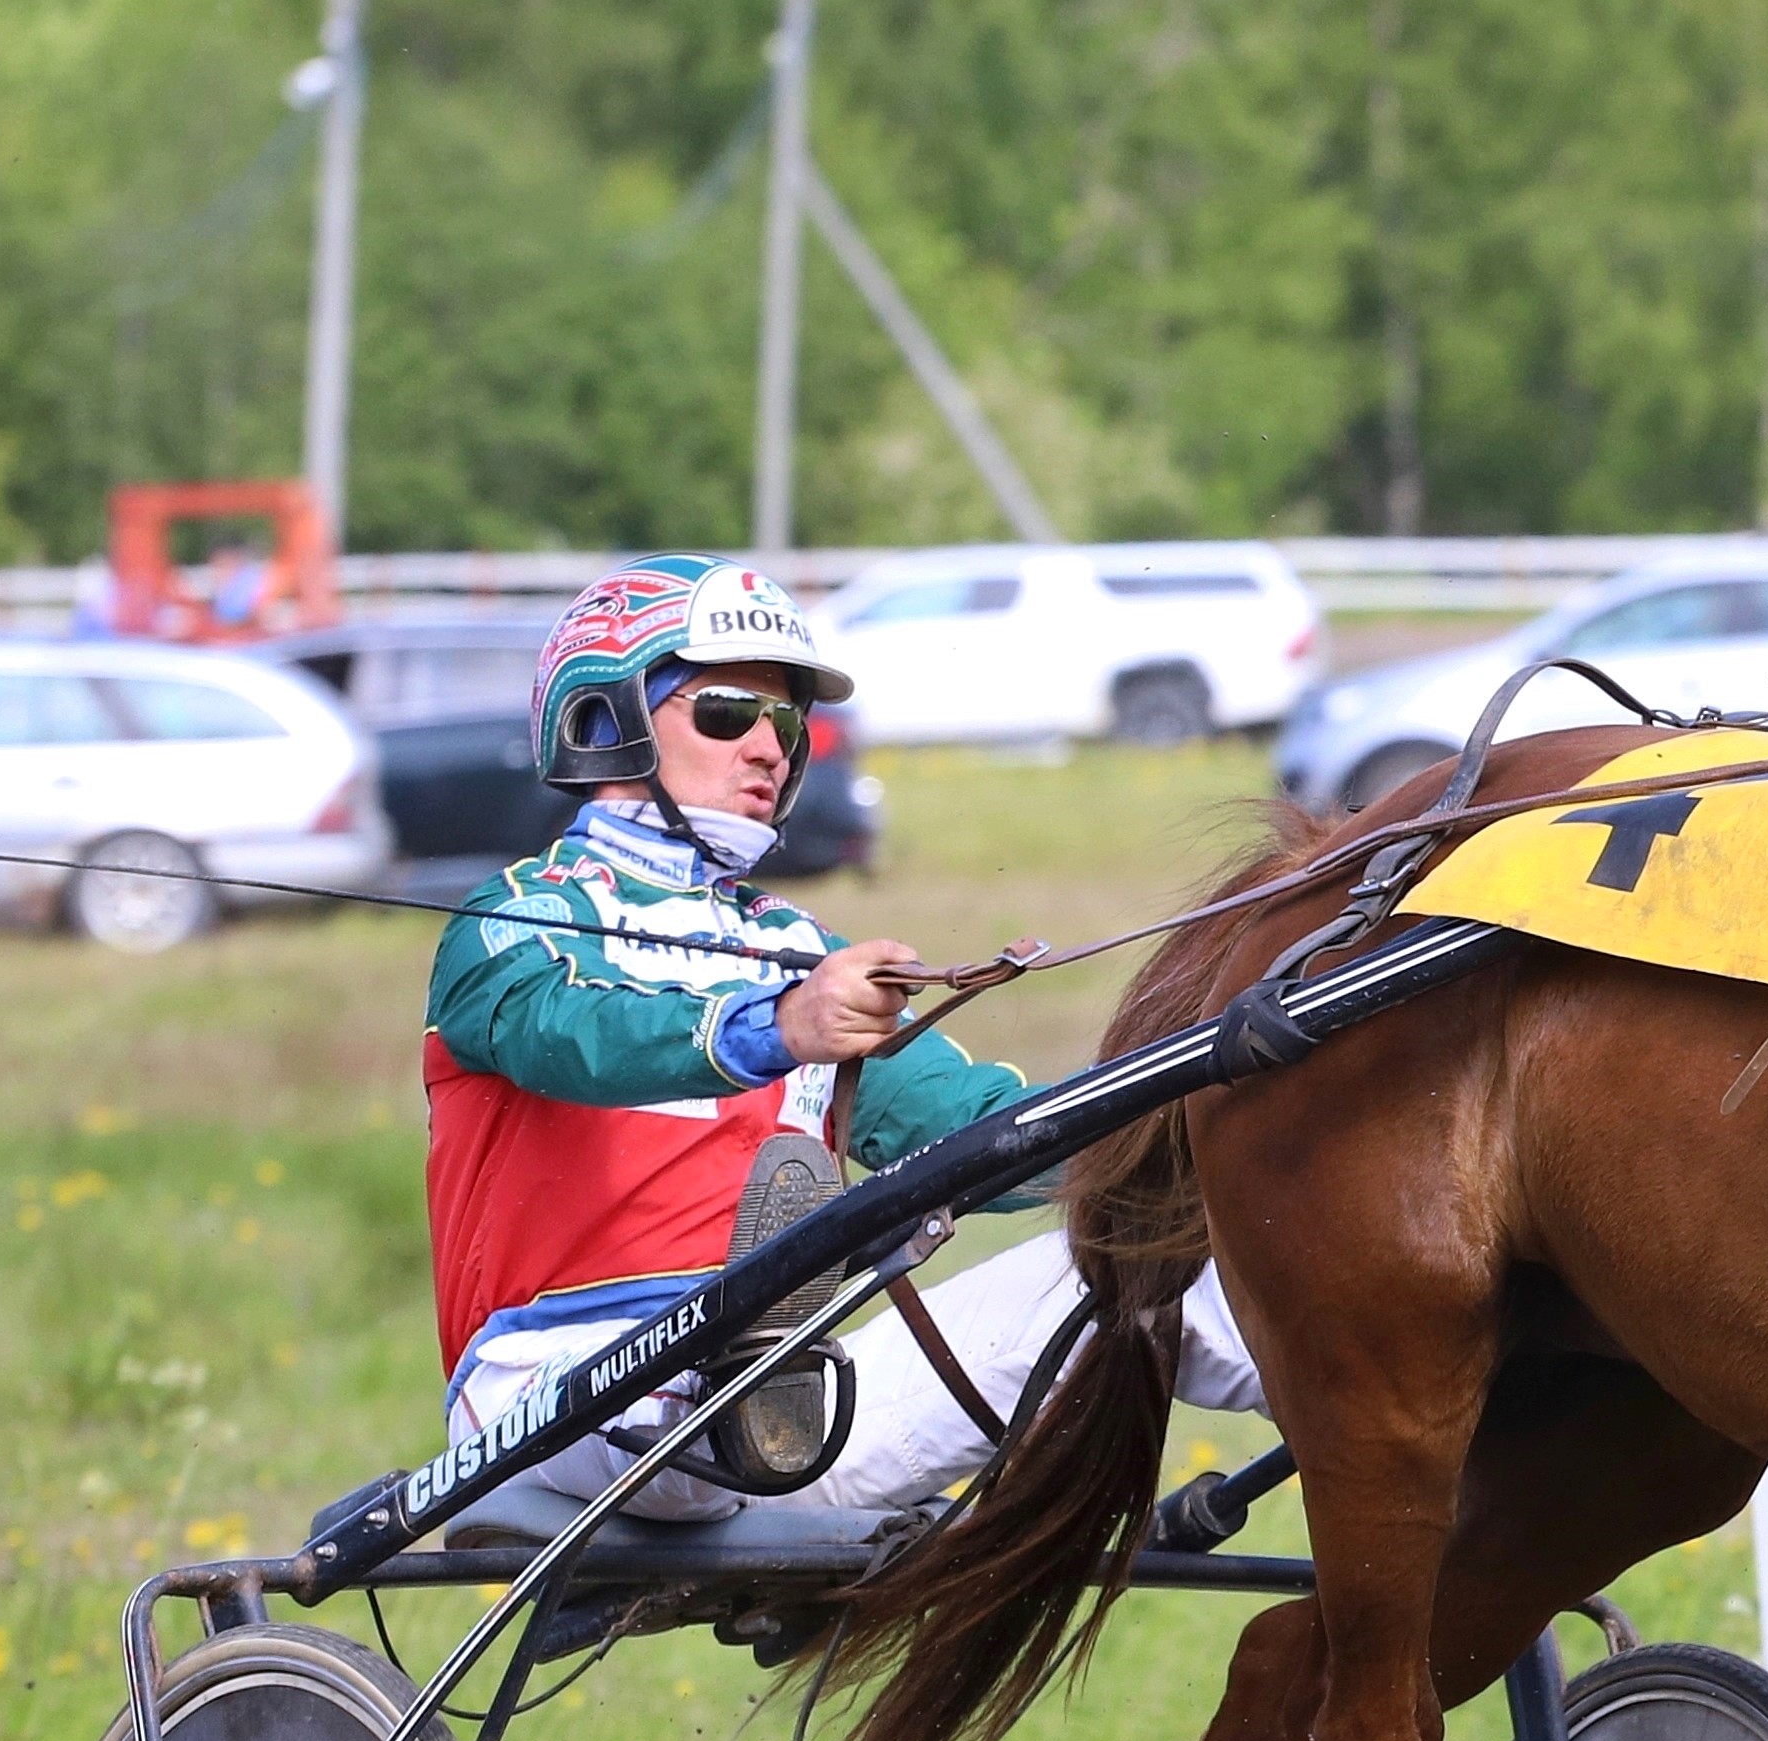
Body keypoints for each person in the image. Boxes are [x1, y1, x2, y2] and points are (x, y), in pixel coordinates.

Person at [427, 553, 1264, 1527]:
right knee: (751, 1366)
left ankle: (1455, 1380)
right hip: (555, 1390)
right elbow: (570, 1036)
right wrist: (782, 1026)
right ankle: (747, 1361)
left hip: (785, 1422)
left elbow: (983, 1131)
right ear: (604, 720)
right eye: (730, 713)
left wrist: (1214, 1100)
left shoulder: (796, 949)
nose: (771, 750)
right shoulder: (513, 923)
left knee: (1141, 1275)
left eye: (787, 724)